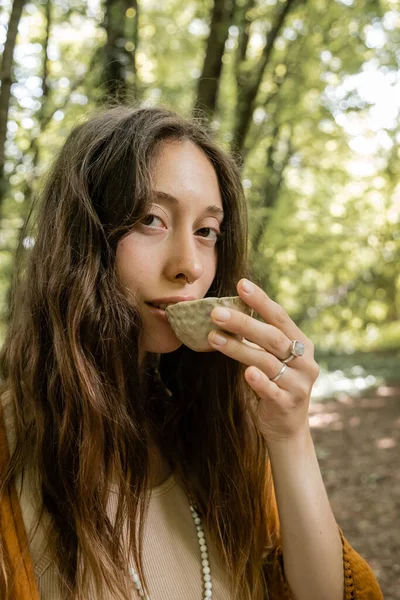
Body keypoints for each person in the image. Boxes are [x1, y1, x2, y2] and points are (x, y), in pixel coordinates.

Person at [0, 105, 383, 600]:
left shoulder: (219, 432)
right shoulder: (13, 450)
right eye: (150, 219)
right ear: (82, 237)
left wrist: (289, 436)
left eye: (206, 231)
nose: (189, 266)